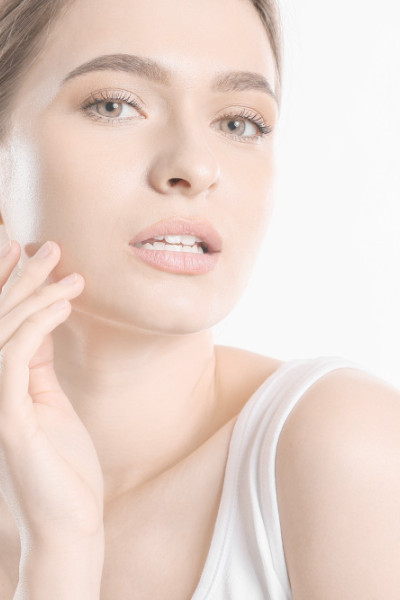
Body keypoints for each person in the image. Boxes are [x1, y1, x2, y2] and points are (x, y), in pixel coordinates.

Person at [0, 0, 399, 598]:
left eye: (239, 123)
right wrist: (59, 553)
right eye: (114, 105)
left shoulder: (350, 448)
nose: (195, 165)